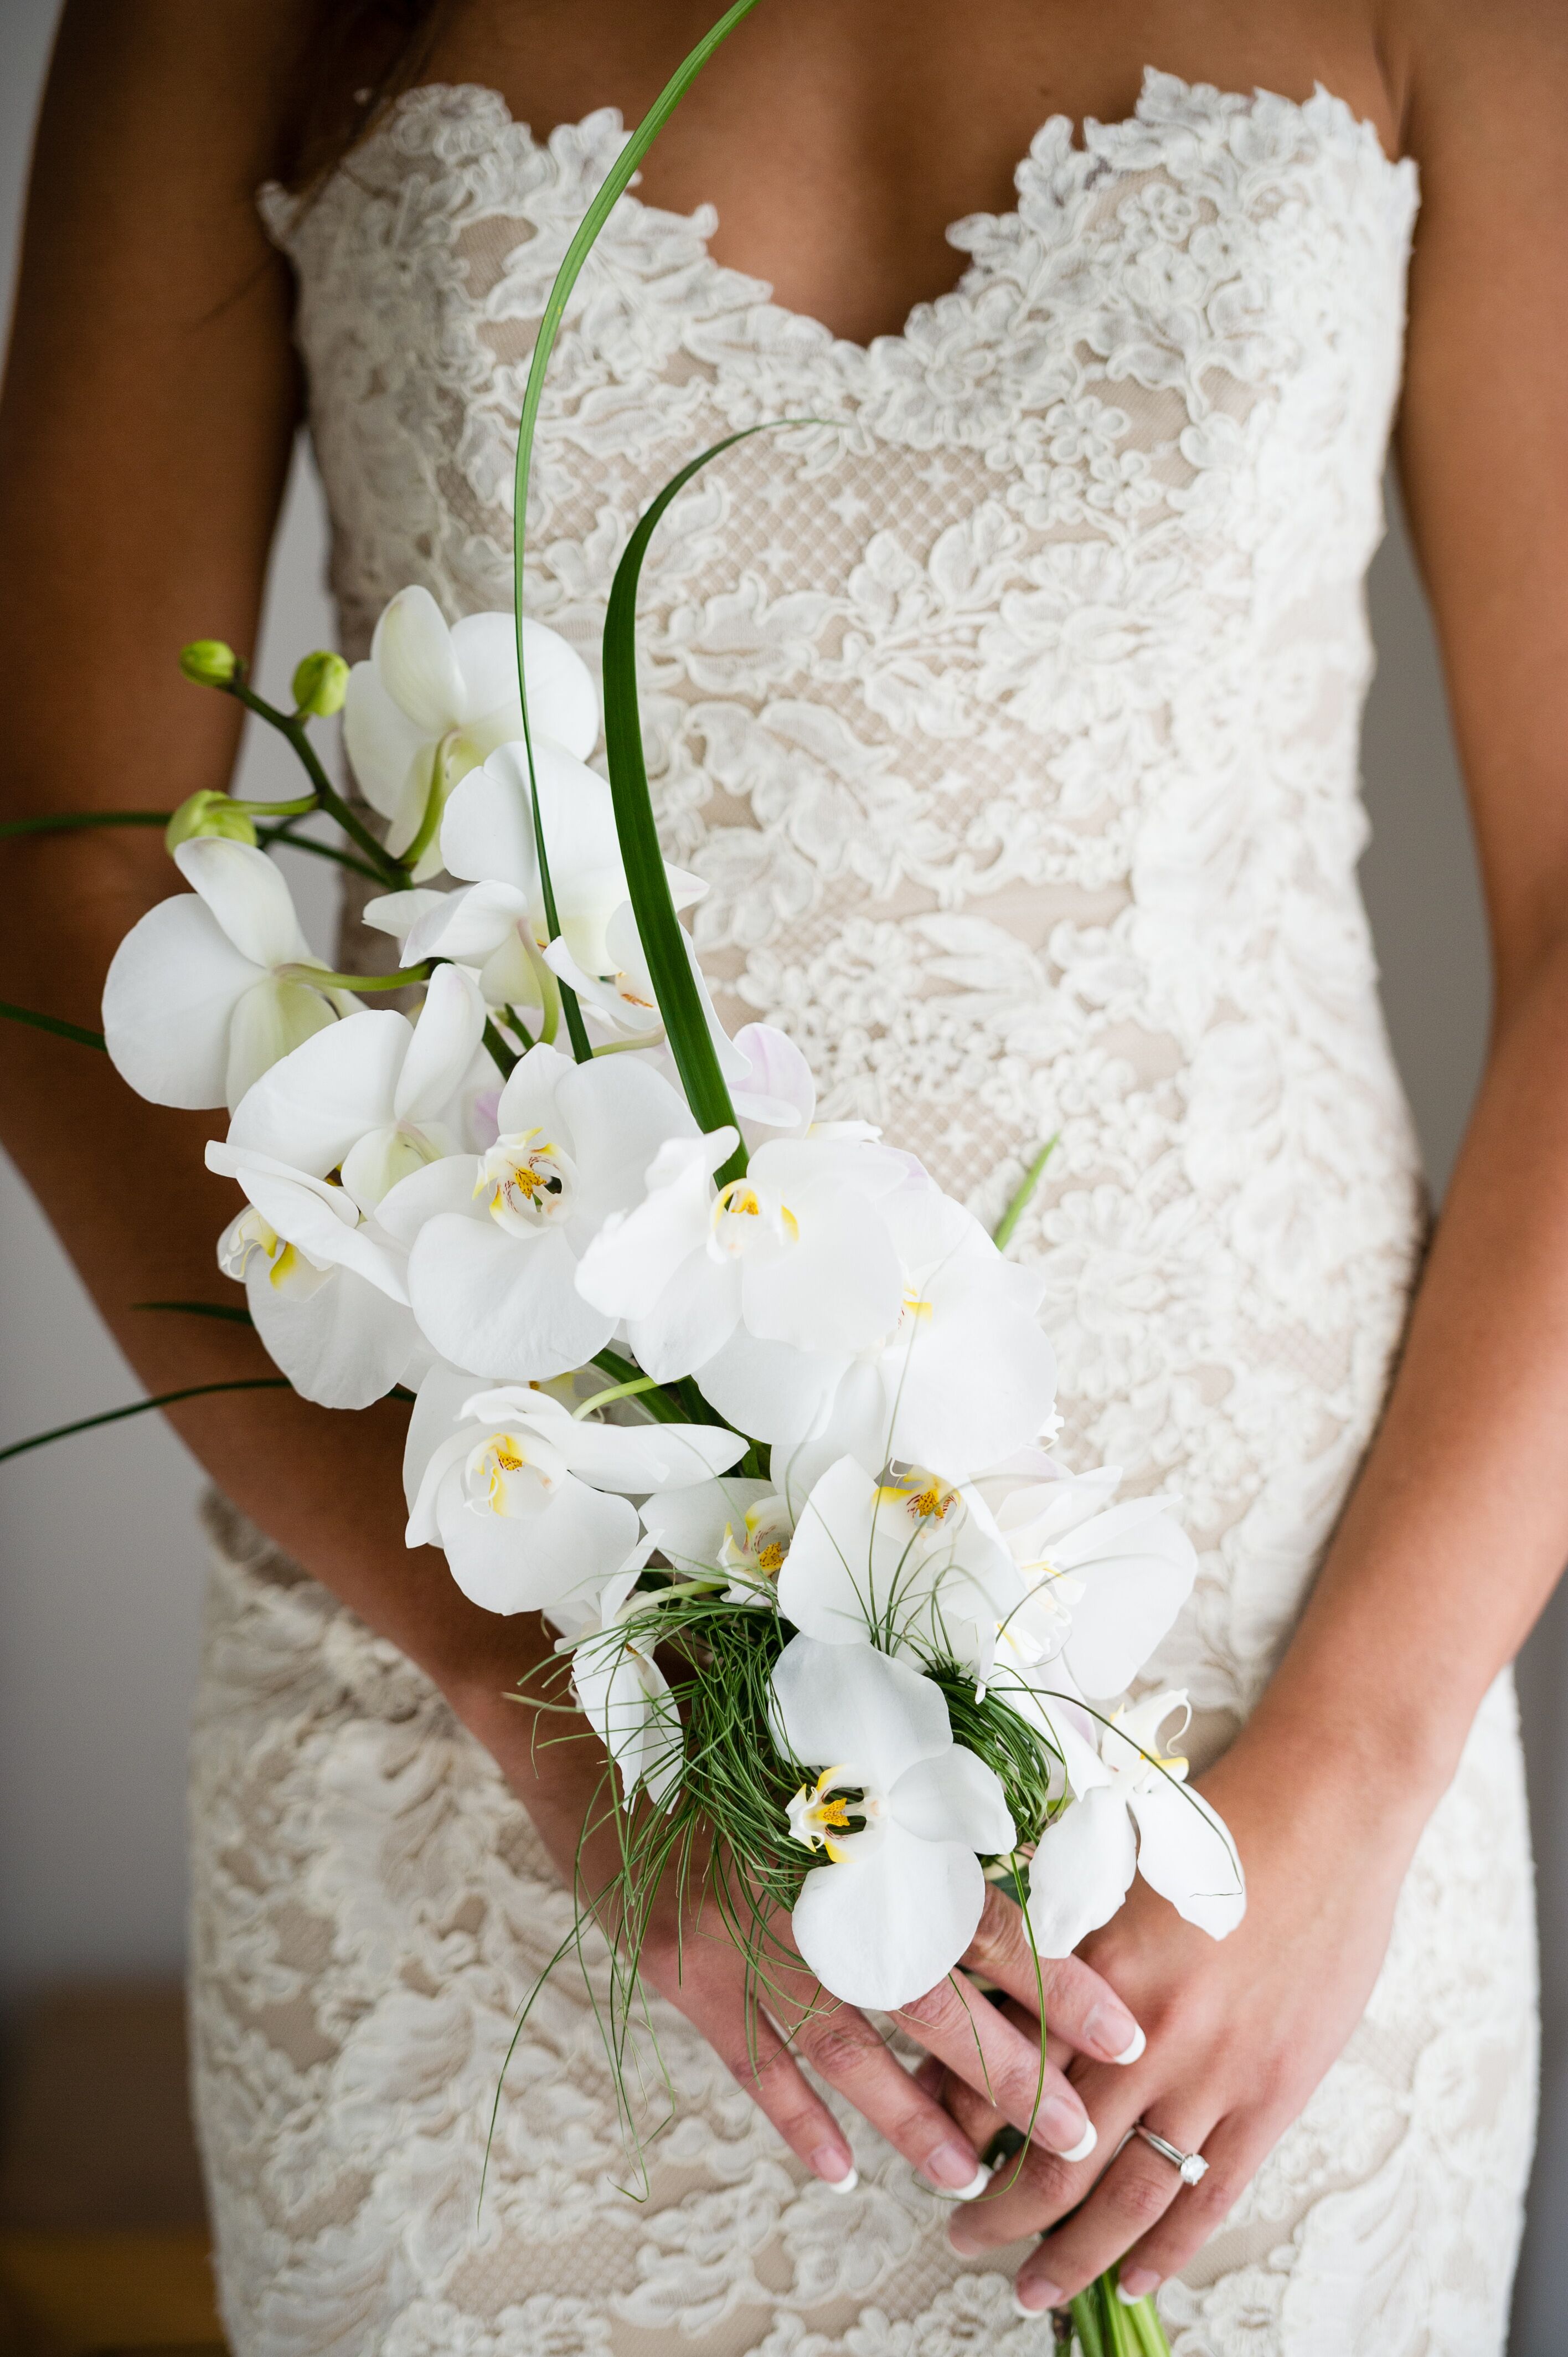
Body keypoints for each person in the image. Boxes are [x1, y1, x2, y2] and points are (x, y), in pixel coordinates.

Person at [1, 1, 1562, 2347]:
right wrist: (552, 1705)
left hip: (1254, 1772)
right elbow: (60, 891)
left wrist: (1360, 1756)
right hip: (487, 1698)